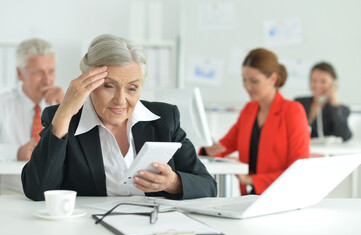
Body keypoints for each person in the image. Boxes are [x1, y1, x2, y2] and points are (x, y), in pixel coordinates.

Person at [22, 34, 217, 201]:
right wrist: (64, 114)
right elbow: (37, 191)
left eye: (132, 88)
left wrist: (174, 183)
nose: (120, 100)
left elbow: (208, 186)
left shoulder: (164, 120)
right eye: (109, 86)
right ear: (87, 83)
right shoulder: (65, 121)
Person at [200, 48, 310, 195]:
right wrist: (209, 150)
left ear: (273, 79)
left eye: (254, 81)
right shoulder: (249, 110)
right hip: (249, 197)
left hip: (280, 195)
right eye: (244, 79)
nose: (247, 86)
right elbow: (223, 148)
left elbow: (298, 170)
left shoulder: (292, 111)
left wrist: (251, 179)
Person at [0, 38, 64, 194]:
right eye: (38, 72)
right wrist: (16, 152)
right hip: (10, 192)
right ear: (20, 74)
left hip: (54, 193)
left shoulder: (61, 103)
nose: (47, 80)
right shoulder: (3, 104)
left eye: (51, 71)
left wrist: (66, 108)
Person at [295, 62, 352, 141]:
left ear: (333, 83)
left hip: (326, 152)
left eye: (323, 81)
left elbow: (345, 136)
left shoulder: (341, 109)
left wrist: (334, 103)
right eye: (314, 80)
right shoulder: (298, 103)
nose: (317, 85)